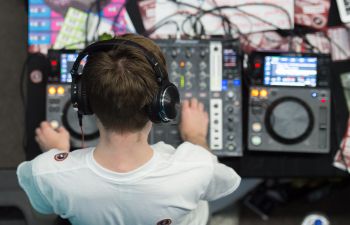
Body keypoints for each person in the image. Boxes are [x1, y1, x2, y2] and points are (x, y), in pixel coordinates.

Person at [17, 33, 241, 225]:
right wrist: (196, 136)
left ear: (84, 102)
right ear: (161, 103)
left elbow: (42, 212)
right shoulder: (197, 166)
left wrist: (56, 153)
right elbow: (221, 186)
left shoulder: (45, 172)